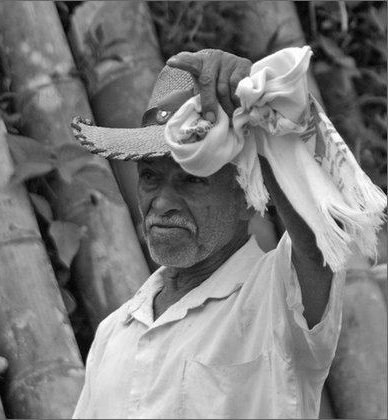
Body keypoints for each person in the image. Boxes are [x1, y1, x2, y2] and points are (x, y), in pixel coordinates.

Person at [69, 48, 386, 418]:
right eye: (151, 177)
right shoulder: (113, 334)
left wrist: (263, 105)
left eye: (192, 179)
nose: (162, 202)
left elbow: (318, 243)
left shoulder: (278, 297)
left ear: (248, 197)